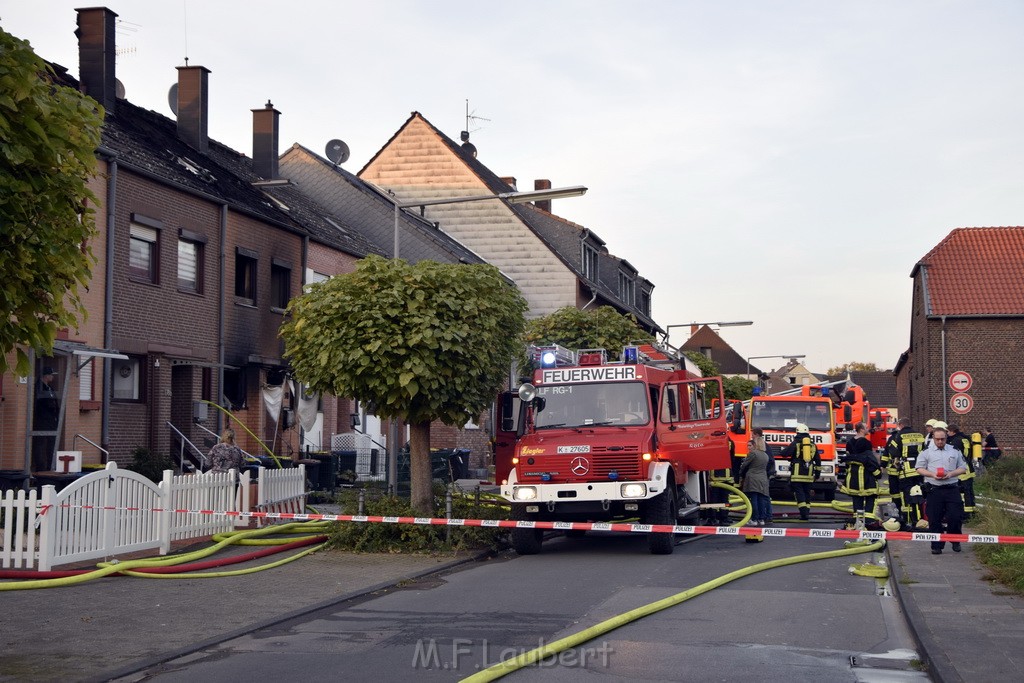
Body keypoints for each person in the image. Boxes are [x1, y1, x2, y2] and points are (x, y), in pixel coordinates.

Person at [915, 427, 968, 555]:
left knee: (955, 516)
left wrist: (951, 474)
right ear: (933, 438)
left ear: (946, 438)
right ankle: (937, 545)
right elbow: (919, 468)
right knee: (934, 518)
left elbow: (963, 468)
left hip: (951, 488)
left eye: (942, 439)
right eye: (937, 439)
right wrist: (932, 474)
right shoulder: (926, 452)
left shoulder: (954, 451)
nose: (940, 441)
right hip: (934, 489)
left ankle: (955, 540)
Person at [883, 417, 926, 530]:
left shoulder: (898, 436)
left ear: (900, 425)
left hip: (906, 471)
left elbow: (893, 453)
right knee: (919, 494)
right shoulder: (920, 435)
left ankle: (908, 519)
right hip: (919, 469)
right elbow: (925, 451)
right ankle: (920, 518)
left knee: (906, 496)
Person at [841, 422, 881, 530]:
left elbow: (848, 460)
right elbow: (870, 460)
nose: (868, 428)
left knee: (857, 501)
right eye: (866, 427)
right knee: (870, 499)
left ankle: (858, 525)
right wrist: (878, 472)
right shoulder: (866, 443)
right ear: (861, 430)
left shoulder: (849, 443)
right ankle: (869, 523)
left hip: (853, 478)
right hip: (867, 478)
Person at [781, 423, 819, 521]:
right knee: (807, 493)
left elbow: (786, 454)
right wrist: (817, 474)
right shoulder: (812, 444)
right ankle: (807, 512)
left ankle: (804, 514)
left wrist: (782, 451)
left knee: (799, 493)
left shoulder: (795, 443)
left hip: (797, 473)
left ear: (797, 432)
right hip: (809, 472)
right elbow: (818, 460)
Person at [32, 366, 60, 472]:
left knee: (51, 443)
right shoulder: (39, 387)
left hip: (52, 421)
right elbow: (40, 403)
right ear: (46, 376)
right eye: (51, 375)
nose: (52, 377)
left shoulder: (50, 388)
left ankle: (50, 466)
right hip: (42, 421)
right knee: (40, 443)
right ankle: (40, 467)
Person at [740, 437, 772, 526]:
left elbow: (744, 465)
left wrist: (740, 474)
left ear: (756, 444)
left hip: (753, 478)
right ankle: (761, 519)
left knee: (753, 499)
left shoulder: (753, 454)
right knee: (761, 499)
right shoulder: (765, 455)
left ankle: (754, 519)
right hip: (763, 478)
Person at [946, 424, 976, 517]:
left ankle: (965, 514)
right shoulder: (965, 438)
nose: (947, 434)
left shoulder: (955, 441)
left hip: (961, 470)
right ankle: (972, 511)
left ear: (952, 431)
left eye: (948, 432)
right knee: (970, 491)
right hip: (969, 467)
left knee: (963, 492)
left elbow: (953, 457)